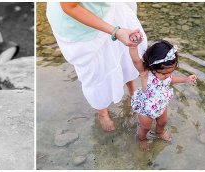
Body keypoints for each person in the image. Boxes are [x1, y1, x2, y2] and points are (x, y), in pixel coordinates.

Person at [46, 2, 145, 132]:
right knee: (95, 71)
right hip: (80, 22)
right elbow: (70, 6)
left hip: (109, 7)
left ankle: (132, 91)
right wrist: (115, 31)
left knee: (123, 53)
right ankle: (102, 112)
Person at [128, 40, 197, 150]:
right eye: (164, 73)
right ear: (153, 66)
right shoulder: (145, 73)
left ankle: (159, 132)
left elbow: (171, 79)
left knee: (163, 122)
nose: (168, 75)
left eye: (171, 71)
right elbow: (136, 60)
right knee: (145, 128)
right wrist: (132, 46)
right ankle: (142, 139)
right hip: (146, 108)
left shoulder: (166, 72)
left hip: (161, 104)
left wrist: (185, 79)